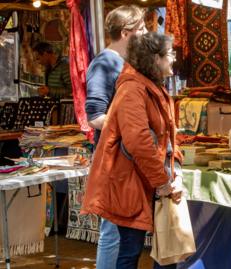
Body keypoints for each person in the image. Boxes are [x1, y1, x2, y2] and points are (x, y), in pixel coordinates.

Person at [81, 32, 183, 269]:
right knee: (130, 249)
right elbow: (138, 140)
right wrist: (161, 180)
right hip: (129, 180)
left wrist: (173, 170)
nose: (175, 59)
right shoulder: (133, 89)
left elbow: (166, 135)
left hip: (144, 177)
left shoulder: (149, 86)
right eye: (171, 54)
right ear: (155, 59)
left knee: (163, 247)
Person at [84, 5, 147, 269]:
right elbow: (95, 115)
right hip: (114, 162)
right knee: (112, 232)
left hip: (126, 160)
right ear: (126, 32)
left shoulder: (126, 63)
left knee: (122, 232)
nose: (146, 32)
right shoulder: (105, 62)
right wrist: (130, 130)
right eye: (141, 28)